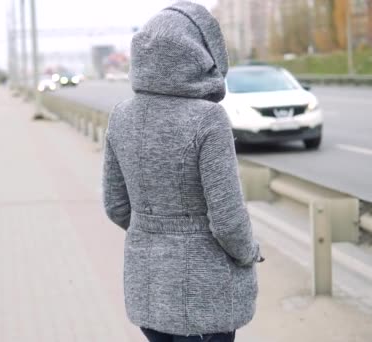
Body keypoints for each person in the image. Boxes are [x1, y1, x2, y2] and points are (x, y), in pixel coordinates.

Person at [101, 1, 263, 341]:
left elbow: (116, 206)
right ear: (201, 54)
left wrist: (154, 232)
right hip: (206, 298)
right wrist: (250, 252)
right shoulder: (208, 118)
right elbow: (227, 220)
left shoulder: (121, 116)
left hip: (148, 288)